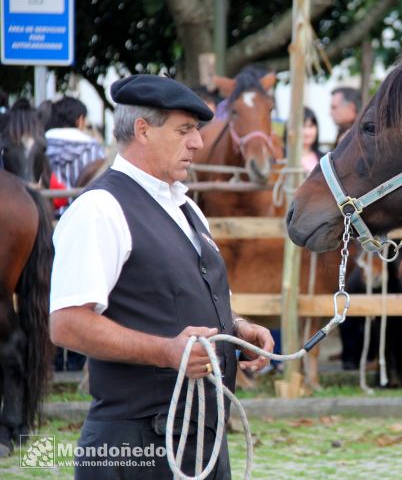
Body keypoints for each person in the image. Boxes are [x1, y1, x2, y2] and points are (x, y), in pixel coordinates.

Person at [49, 74, 275, 479]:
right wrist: (167, 351)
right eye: (184, 130)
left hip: (202, 439)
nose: (198, 143)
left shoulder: (188, 208)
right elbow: (67, 325)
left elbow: (175, 296)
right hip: (134, 448)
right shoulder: (100, 208)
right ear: (143, 130)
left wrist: (236, 330)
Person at [45, 97, 105, 217]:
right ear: (80, 120)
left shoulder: (41, 146)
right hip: (80, 217)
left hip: (43, 219)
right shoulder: (93, 150)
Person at [301, 106, 323, 174]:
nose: (307, 132)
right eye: (303, 126)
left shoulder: (323, 159)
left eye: (311, 126)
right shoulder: (282, 158)